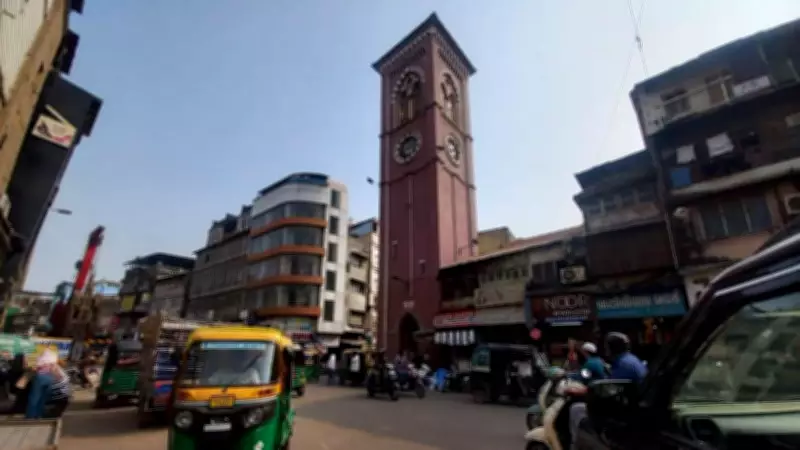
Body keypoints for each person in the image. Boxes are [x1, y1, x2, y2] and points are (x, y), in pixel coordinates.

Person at [567, 333, 647, 450]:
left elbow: (611, 389)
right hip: (631, 404)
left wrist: (583, 391)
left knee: (576, 409)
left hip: (626, 411)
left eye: (607, 347)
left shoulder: (622, 364)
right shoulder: (630, 360)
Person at [26, 350, 68, 419]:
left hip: (40, 378)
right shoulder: (53, 359)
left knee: (34, 398)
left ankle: (30, 416)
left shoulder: (41, 358)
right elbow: (54, 370)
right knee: (43, 398)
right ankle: (39, 415)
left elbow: (36, 368)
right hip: (50, 378)